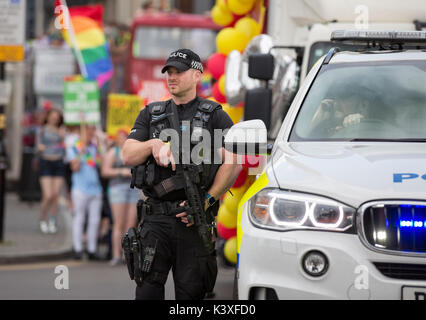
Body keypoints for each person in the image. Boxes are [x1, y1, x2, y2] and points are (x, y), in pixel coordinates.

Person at [122, 49, 241, 300]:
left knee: (191, 297)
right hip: (155, 221)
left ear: (197, 75)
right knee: (146, 294)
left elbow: (234, 161)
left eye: (179, 71)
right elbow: (127, 155)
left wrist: (208, 200)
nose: (172, 77)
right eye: (169, 72)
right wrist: (151, 145)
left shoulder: (214, 115)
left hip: (193, 222)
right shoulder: (151, 113)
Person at [101, 129, 139, 266]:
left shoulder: (133, 152)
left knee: (130, 224)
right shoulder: (114, 152)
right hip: (117, 188)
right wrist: (122, 172)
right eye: (121, 137)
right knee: (118, 223)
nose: (123, 139)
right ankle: (116, 255)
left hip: (133, 189)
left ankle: (126, 255)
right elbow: (105, 171)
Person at [66, 125, 103, 260]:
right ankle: (78, 249)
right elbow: (74, 168)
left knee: (94, 221)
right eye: (88, 131)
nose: (90, 133)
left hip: (95, 189)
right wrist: (81, 153)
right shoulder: (74, 148)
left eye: (92, 130)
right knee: (79, 219)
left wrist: (99, 146)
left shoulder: (94, 147)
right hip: (80, 189)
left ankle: (91, 249)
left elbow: (99, 164)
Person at [36, 108, 66, 234]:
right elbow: (38, 147)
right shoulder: (42, 130)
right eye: (52, 116)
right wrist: (40, 148)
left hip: (58, 162)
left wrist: (63, 137)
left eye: (57, 117)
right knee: (48, 195)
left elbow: (67, 147)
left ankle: (53, 220)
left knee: (55, 195)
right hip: (46, 162)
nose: (54, 118)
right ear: (48, 117)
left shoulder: (62, 131)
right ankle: (43, 218)